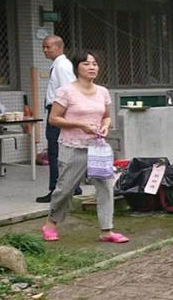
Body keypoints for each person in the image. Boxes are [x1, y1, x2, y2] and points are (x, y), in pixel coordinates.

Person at [40, 51, 128, 244]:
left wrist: (105, 125)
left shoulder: (103, 92)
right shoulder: (66, 91)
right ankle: (51, 223)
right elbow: (53, 119)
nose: (92, 67)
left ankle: (106, 230)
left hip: (98, 147)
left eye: (95, 64)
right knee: (65, 188)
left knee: (105, 187)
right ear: (77, 67)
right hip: (73, 146)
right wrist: (80, 125)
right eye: (86, 64)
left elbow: (106, 115)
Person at [36, 35, 80, 203]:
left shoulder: (62, 66)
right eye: (43, 47)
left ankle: (56, 189)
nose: (45, 50)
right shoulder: (59, 65)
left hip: (59, 113)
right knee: (63, 151)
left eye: (48, 47)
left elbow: (69, 92)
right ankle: (73, 186)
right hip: (58, 111)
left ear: (59, 47)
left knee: (55, 151)